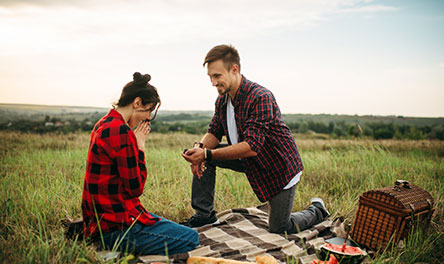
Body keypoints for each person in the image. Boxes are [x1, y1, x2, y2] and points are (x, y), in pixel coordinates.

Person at [181, 45, 329, 234]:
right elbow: (214, 133)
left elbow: (252, 146)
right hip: (248, 159)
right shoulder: (222, 100)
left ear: (234, 69)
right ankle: (204, 216)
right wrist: (199, 150)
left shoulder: (260, 97)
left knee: (280, 228)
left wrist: (207, 154)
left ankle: (317, 210)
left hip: (278, 167)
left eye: (217, 76)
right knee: (205, 156)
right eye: (210, 76)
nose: (212, 82)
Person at [81, 72, 199, 255]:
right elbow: (136, 187)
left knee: (163, 224)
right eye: (148, 111)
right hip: (115, 228)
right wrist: (140, 147)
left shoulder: (103, 123)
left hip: (101, 221)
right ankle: (113, 250)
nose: (146, 119)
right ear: (137, 103)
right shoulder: (121, 131)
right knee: (191, 238)